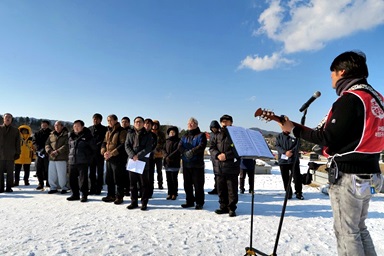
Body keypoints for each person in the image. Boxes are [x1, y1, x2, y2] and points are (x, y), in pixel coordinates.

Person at [278, 51, 384, 256]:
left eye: (332, 73)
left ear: (342, 72)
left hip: (348, 175)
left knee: (346, 232)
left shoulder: (351, 99)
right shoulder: (376, 98)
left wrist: (294, 130)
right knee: (359, 228)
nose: (331, 78)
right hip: (370, 172)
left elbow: (328, 138)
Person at [209, 114, 240, 217]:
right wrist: (218, 155)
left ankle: (231, 208)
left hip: (231, 166)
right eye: (223, 121)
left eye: (227, 121)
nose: (224, 122)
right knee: (221, 189)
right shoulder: (217, 135)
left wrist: (226, 155)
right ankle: (223, 206)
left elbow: (238, 149)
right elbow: (212, 148)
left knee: (232, 189)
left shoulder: (236, 134)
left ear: (231, 122)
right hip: (219, 166)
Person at [178, 117, 207, 210]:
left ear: (196, 125)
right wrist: (186, 152)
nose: (190, 125)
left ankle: (199, 202)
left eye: (192, 123)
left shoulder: (201, 135)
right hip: (186, 164)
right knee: (187, 184)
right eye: (188, 123)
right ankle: (189, 201)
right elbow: (180, 146)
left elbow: (201, 146)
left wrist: (192, 152)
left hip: (197, 164)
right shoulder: (184, 136)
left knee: (198, 185)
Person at [125, 116, 153, 210]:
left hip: (142, 162)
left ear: (143, 123)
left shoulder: (148, 134)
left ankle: (144, 202)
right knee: (132, 184)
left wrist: (139, 155)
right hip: (132, 161)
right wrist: (133, 155)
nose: (138, 123)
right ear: (134, 123)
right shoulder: (130, 133)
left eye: (140, 122)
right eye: (136, 122)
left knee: (143, 184)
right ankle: (134, 202)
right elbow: (127, 145)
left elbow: (149, 147)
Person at [100, 114, 128, 204]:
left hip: (118, 158)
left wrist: (112, 153)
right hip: (108, 158)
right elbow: (104, 142)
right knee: (109, 178)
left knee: (118, 178)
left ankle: (119, 196)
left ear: (116, 120)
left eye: (111, 120)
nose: (109, 122)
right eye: (108, 120)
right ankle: (110, 195)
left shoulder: (121, 131)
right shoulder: (108, 131)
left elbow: (123, 145)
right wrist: (104, 151)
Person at [67, 120, 95, 202]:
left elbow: (94, 149)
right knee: (72, 179)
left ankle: (84, 195)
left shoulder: (88, 136)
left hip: (83, 162)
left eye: (78, 126)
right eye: (74, 126)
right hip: (72, 161)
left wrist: (88, 159)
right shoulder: (70, 136)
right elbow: (69, 148)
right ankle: (75, 194)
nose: (76, 128)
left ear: (82, 127)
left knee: (83, 180)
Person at [275, 132, 304, 200]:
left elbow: (298, 144)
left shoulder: (295, 135)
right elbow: (277, 146)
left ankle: (298, 193)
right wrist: (285, 152)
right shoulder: (279, 136)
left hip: (294, 160)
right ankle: (288, 193)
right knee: (285, 179)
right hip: (283, 161)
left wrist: (291, 151)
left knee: (297, 178)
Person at [45, 121, 69, 194]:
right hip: (52, 157)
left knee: (61, 174)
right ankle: (53, 187)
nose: (57, 127)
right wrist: (49, 151)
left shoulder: (66, 135)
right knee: (52, 174)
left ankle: (64, 187)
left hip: (61, 157)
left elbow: (67, 145)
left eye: (58, 125)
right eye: (55, 126)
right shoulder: (51, 135)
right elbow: (47, 144)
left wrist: (57, 151)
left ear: (62, 126)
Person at [0, 113, 21, 193]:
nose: (8, 119)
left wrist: (18, 153)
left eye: (9, 117)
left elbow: (17, 143)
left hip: (10, 154)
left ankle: (9, 187)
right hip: (0, 154)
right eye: (6, 117)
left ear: (11, 119)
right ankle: (0, 188)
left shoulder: (15, 130)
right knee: (0, 173)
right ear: (3, 119)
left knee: (10, 172)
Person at [88, 113, 108, 195]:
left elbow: (105, 140)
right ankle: (92, 188)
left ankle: (99, 188)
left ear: (100, 120)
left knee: (100, 172)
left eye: (97, 119)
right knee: (91, 173)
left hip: (100, 154)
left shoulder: (105, 129)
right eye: (94, 119)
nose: (95, 120)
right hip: (91, 154)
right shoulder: (89, 129)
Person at [32, 120, 52, 190]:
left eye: (45, 125)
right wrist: (38, 149)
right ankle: (40, 183)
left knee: (47, 169)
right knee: (38, 168)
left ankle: (48, 182)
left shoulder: (51, 133)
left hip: (47, 153)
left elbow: (51, 142)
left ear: (48, 125)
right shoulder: (37, 133)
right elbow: (34, 142)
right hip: (39, 153)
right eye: (42, 124)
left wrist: (45, 150)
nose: (44, 126)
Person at [163, 126, 181, 200]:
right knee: (168, 179)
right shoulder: (166, 141)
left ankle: (174, 193)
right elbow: (163, 149)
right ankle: (169, 193)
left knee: (174, 179)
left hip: (175, 162)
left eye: (173, 132)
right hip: (167, 162)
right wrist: (166, 156)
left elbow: (178, 150)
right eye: (170, 132)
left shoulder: (178, 141)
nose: (172, 133)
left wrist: (170, 156)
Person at [144, 118, 157, 198]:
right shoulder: (140, 133)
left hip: (150, 158)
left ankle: (149, 192)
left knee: (150, 176)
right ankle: (141, 191)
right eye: (146, 123)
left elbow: (153, 146)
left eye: (149, 124)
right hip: (141, 158)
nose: (147, 125)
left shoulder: (153, 135)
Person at [152, 120, 166, 189]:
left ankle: (160, 184)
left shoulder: (161, 134)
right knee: (151, 171)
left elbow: (164, 143)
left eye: (156, 125)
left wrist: (159, 149)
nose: (154, 126)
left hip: (159, 155)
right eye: (153, 125)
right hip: (151, 155)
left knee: (159, 171)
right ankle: (151, 184)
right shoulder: (149, 133)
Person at [207, 120, 220, 195]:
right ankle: (216, 188)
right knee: (216, 174)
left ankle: (220, 188)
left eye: (215, 127)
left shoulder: (220, 134)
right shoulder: (211, 135)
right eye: (212, 128)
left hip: (220, 156)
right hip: (214, 157)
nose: (214, 129)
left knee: (220, 174)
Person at [121, 116, 132, 196]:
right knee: (121, 173)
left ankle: (128, 189)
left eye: (125, 122)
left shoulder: (131, 131)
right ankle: (123, 189)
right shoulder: (120, 131)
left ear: (129, 123)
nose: (124, 123)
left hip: (129, 154)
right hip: (120, 155)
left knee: (128, 173)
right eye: (123, 122)